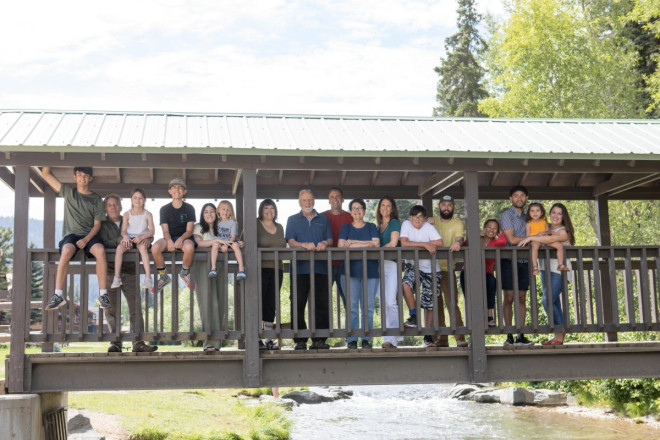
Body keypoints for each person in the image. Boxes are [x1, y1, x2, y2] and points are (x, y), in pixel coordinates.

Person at [42, 166, 110, 311]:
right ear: (75, 177)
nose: (82, 178)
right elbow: (46, 175)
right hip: (71, 235)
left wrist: (86, 239)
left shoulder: (96, 199)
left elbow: (97, 225)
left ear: (90, 178)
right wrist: (50, 157)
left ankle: (103, 295)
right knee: (66, 251)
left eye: (86, 176)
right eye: (79, 175)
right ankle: (58, 295)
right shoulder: (68, 192)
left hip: (90, 235)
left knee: (100, 251)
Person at [98, 194, 157, 352]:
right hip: (111, 269)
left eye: (115, 204)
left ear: (121, 206)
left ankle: (138, 342)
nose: (113, 207)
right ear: (105, 208)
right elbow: (102, 242)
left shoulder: (130, 218)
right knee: (111, 309)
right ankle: (115, 342)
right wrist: (120, 240)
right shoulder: (102, 224)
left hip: (131, 269)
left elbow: (148, 232)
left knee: (135, 307)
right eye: (109, 205)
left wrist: (145, 240)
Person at [519, 203, 575, 345]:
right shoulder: (546, 227)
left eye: (559, 213)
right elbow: (540, 235)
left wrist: (531, 238)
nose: (555, 216)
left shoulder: (564, 231)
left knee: (547, 300)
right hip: (545, 268)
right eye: (553, 213)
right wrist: (532, 236)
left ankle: (560, 330)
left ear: (564, 217)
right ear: (549, 214)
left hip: (559, 270)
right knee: (554, 301)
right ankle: (558, 335)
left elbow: (550, 240)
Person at [285, 189, 333, 350]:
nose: (308, 203)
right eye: (304, 200)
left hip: (321, 268)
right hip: (299, 268)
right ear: (299, 202)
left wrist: (324, 244)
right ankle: (300, 339)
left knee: (322, 302)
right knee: (298, 303)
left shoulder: (323, 219)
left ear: (314, 201)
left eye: (310, 200)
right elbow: (291, 242)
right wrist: (303, 245)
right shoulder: (292, 219)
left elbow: (330, 239)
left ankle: (320, 339)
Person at [338, 198, 380, 349]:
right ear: (350, 212)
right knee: (352, 306)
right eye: (354, 208)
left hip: (370, 271)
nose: (357, 211)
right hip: (349, 271)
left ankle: (367, 338)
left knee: (368, 307)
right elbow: (341, 245)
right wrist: (366, 243)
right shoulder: (345, 227)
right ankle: (352, 339)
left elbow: (376, 244)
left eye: (360, 208)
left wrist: (354, 243)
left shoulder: (371, 226)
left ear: (364, 210)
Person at [400, 205, 444, 347]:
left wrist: (424, 244)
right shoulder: (406, 224)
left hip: (431, 269)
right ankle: (414, 316)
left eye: (420, 217)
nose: (417, 220)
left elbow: (439, 242)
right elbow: (404, 243)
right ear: (409, 217)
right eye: (414, 217)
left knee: (429, 304)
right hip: (413, 267)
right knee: (405, 284)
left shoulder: (428, 227)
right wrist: (424, 244)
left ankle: (428, 337)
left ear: (425, 218)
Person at [431, 195, 468, 348]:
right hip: (432, 269)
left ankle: (460, 337)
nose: (446, 208)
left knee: (452, 303)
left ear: (453, 207)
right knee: (436, 304)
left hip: (447, 268)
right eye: (443, 205)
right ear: (439, 207)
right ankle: (442, 338)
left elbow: (459, 238)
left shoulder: (457, 222)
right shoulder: (432, 221)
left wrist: (458, 243)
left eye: (449, 205)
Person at [499, 185, 533, 346]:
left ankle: (521, 335)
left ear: (526, 198)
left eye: (522, 196)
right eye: (515, 196)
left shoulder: (529, 217)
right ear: (510, 199)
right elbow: (511, 240)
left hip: (525, 261)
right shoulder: (506, 215)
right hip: (508, 260)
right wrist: (533, 239)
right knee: (509, 297)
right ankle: (509, 334)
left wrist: (535, 238)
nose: (519, 198)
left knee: (522, 297)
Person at [192, 203, 229, 351]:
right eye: (206, 211)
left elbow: (228, 242)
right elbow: (198, 243)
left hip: (219, 266)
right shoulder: (198, 227)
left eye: (212, 211)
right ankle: (209, 342)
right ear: (202, 214)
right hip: (202, 266)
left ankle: (217, 342)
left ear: (217, 213)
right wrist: (216, 241)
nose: (209, 214)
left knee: (220, 303)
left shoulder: (222, 227)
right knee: (208, 303)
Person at [151, 178, 196, 292]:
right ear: (170, 191)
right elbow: (165, 231)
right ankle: (164, 276)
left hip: (185, 237)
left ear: (184, 191)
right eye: (174, 187)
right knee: (155, 248)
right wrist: (169, 240)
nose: (177, 189)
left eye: (180, 187)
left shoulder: (189, 208)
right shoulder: (164, 209)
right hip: (169, 237)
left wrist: (181, 239)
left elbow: (189, 230)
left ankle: (185, 273)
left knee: (189, 247)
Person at [459, 219, 507, 327]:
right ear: (484, 228)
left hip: (486, 273)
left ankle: (489, 315)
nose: (492, 230)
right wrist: (475, 235)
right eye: (489, 227)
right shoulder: (476, 239)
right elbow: (464, 244)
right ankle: (474, 318)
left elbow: (502, 242)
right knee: (471, 296)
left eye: (495, 228)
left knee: (492, 282)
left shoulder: (495, 242)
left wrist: (501, 233)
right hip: (469, 271)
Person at [257, 199, 286, 350]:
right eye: (266, 208)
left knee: (270, 304)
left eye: (272, 208)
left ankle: (268, 338)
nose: (269, 211)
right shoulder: (255, 224)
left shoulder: (280, 227)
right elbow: (244, 242)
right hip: (259, 270)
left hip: (277, 269)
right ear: (261, 210)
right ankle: (256, 338)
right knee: (258, 304)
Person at [111, 188, 155, 290]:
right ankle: (117, 277)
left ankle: (148, 278)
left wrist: (142, 237)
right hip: (130, 238)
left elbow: (152, 231)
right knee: (119, 249)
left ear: (144, 200)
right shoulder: (127, 214)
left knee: (143, 248)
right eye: (135, 198)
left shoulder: (147, 214)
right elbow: (123, 231)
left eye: (140, 198)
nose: (137, 200)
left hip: (143, 237)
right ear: (131, 199)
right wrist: (125, 237)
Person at [376, 196, 402, 349]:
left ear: (392, 209)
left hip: (391, 265)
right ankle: (387, 337)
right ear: (379, 208)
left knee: (391, 301)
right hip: (379, 265)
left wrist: (377, 251)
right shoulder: (377, 225)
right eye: (383, 205)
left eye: (388, 206)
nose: (385, 208)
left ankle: (393, 338)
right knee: (383, 302)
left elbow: (393, 244)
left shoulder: (394, 223)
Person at [322, 187, 353, 307]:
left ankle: (350, 326)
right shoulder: (322, 217)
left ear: (343, 199)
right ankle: (324, 327)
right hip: (325, 264)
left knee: (348, 300)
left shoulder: (350, 217)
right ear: (329, 200)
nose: (335, 199)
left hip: (345, 265)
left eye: (338, 196)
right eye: (332, 197)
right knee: (323, 300)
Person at [526, 201, 569, 275]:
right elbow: (528, 236)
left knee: (559, 245)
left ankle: (560, 264)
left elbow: (548, 233)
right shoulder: (529, 223)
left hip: (546, 241)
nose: (535, 213)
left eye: (559, 214)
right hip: (537, 242)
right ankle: (535, 266)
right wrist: (538, 235)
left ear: (541, 212)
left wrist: (549, 233)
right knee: (535, 246)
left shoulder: (545, 222)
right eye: (532, 211)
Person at [216, 200, 246, 281]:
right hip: (221, 243)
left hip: (231, 242)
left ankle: (241, 268)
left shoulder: (232, 222)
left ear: (231, 212)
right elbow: (215, 236)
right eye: (223, 209)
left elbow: (233, 236)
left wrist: (226, 245)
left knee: (236, 245)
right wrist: (222, 245)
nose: (225, 212)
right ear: (218, 210)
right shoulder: (216, 222)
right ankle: (213, 268)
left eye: (228, 210)